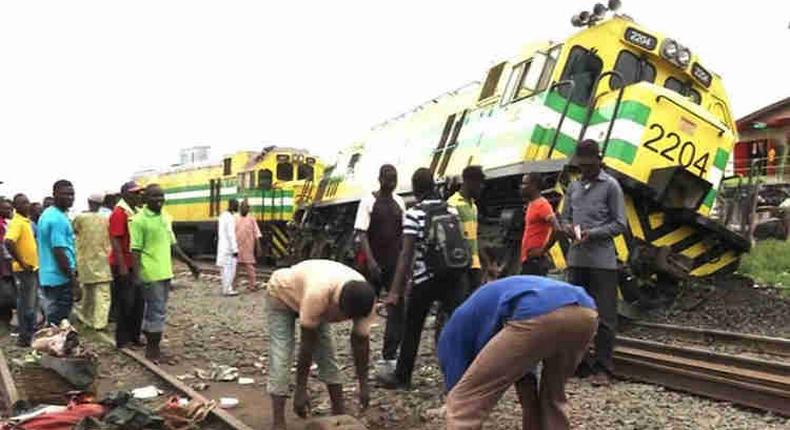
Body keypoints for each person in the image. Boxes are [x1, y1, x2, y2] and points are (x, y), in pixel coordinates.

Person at [439, 275, 597, 430]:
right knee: (552, 397)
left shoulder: (451, 333)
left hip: (537, 311)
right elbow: (522, 367)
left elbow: (460, 384)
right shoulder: (485, 308)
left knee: (463, 402)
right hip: (585, 313)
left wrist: (453, 399)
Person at [379, 168, 466, 389]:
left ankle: (402, 377)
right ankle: (461, 378)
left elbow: (405, 255)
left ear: (415, 189)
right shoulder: (452, 209)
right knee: (456, 325)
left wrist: (395, 292)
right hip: (452, 276)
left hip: (425, 279)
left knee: (413, 328)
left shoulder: (413, 214)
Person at [265, 259, 375, 430]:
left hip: (312, 295)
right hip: (282, 294)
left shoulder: (366, 300)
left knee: (328, 355)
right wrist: (301, 390)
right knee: (281, 354)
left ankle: (339, 414)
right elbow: (307, 345)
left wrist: (364, 385)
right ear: (338, 306)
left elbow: (360, 342)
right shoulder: (318, 294)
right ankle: (278, 423)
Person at [559, 139, 626, 386]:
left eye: (589, 164)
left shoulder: (611, 186)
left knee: (605, 316)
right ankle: (580, 363)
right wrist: (566, 227)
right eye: (581, 164)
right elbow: (564, 216)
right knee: (575, 314)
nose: (585, 168)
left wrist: (593, 233)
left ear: (599, 160)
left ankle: (604, 368)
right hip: (577, 260)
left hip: (602, 262)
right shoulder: (574, 188)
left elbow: (620, 224)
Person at [131, 184, 200, 361]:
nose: (159, 200)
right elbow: (136, 250)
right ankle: (152, 351)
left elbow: (173, 246)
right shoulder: (139, 220)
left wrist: (190, 263)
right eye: (154, 197)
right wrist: (137, 275)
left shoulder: (166, 217)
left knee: (155, 310)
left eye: (161, 197)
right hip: (150, 272)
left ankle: (151, 347)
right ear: (146, 199)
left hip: (165, 272)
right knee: (157, 311)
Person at [353, 164, 406, 372]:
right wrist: (371, 261)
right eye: (387, 178)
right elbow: (361, 234)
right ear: (380, 178)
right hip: (372, 263)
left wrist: (403, 260)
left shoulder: (399, 202)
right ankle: (360, 346)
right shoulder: (368, 201)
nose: (391, 182)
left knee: (397, 307)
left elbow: (403, 232)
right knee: (366, 306)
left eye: (394, 179)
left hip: (394, 263)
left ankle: (389, 353)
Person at [447, 165, 497, 294]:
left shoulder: (473, 207)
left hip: (474, 267)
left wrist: (487, 263)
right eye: (480, 183)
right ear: (470, 182)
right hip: (460, 267)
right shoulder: (452, 204)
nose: (482, 187)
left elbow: (474, 238)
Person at [37, 180, 81, 325]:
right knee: (59, 322)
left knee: (53, 318)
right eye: (65, 194)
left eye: (72, 194)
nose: (70, 197)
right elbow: (59, 251)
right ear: (54, 194)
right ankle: (51, 346)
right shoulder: (57, 219)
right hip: (60, 277)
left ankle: (47, 345)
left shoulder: (48, 214)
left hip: (48, 275)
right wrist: (73, 280)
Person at [109, 181, 144, 348]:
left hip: (134, 263)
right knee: (126, 302)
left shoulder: (135, 211)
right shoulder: (119, 213)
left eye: (139, 193)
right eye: (134, 193)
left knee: (138, 301)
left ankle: (134, 336)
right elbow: (115, 239)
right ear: (124, 194)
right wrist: (122, 266)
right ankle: (122, 340)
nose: (138, 196)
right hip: (123, 264)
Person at [72, 193, 113, 330]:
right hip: (103, 259)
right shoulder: (107, 218)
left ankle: (86, 317)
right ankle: (100, 323)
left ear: (88, 202)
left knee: (88, 291)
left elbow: (75, 232)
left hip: (85, 259)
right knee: (103, 293)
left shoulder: (80, 218)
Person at [5, 194, 40, 346]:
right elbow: (8, 241)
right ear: (16, 206)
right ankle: (26, 336)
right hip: (24, 270)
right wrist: (22, 262)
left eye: (27, 202)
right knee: (28, 305)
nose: (27, 205)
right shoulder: (17, 222)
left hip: (31, 269)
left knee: (28, 303)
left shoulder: (26, 221)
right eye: (23, 203)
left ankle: (27, 334)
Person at [520, 172, 562, 276]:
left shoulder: (542, 205)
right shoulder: (532, 204)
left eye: (525, 184)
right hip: (529, 260)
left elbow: (557, 229)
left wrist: (543, 250)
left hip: (536, 262)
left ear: (534, 186)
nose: (522, 187)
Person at [234, 200, 262, 291]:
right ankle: (234, 285)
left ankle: (252, 285)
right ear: (240, 208)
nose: (246, 209)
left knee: (249, 267)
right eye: (244, 207)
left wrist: (258, 246)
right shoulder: (235, 218)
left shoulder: (252, 219)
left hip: (248, 247)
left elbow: (256, 233)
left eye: (247, 207)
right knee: (235, 267)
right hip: (237, 246)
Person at [216, 199, 239, 296]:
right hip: (229, 249)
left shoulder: (222, 216)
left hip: (222, 247)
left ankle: (226, 288)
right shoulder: (230, 218)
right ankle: (228, 289)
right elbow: (231, 235)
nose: (238, 207)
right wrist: (235, 249)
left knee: (224, 270)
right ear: (233, 205)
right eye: (236, 205)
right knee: (230, 269)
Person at [0, 199, 14, 334]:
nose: (9, 211)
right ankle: (4, 323)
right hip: (3, 264)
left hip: (7, 264)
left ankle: (6, 322)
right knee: (5, 296)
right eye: (6, 209)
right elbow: (4, 246)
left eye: (10, 209)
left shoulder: (6, 223)